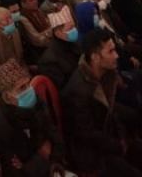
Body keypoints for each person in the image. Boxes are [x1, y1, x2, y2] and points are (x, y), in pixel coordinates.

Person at [61, 29, 142, 176]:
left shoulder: (105, 73)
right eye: (111, 51)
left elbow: (109, 111)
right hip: (91, 154)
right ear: (95, 57)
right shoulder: (78, 91)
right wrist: (118, 145)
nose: (116, 55)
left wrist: (122, 137)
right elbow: (87, 134)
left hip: (108, 138)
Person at [0, 59, 66, 177]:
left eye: (28, 83)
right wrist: (43, 159)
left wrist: (54, 161)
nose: (29, 90)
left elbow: (54, 136)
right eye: (22, 88)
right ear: (7, 96)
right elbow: (16, 169)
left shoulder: (37, 104)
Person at [36, 15, 81, 89]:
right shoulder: (49, 61)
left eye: (74, 26)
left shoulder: (72, 42)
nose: (75, 30)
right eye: (70, 28)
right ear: (58, 33)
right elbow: (64, 87)